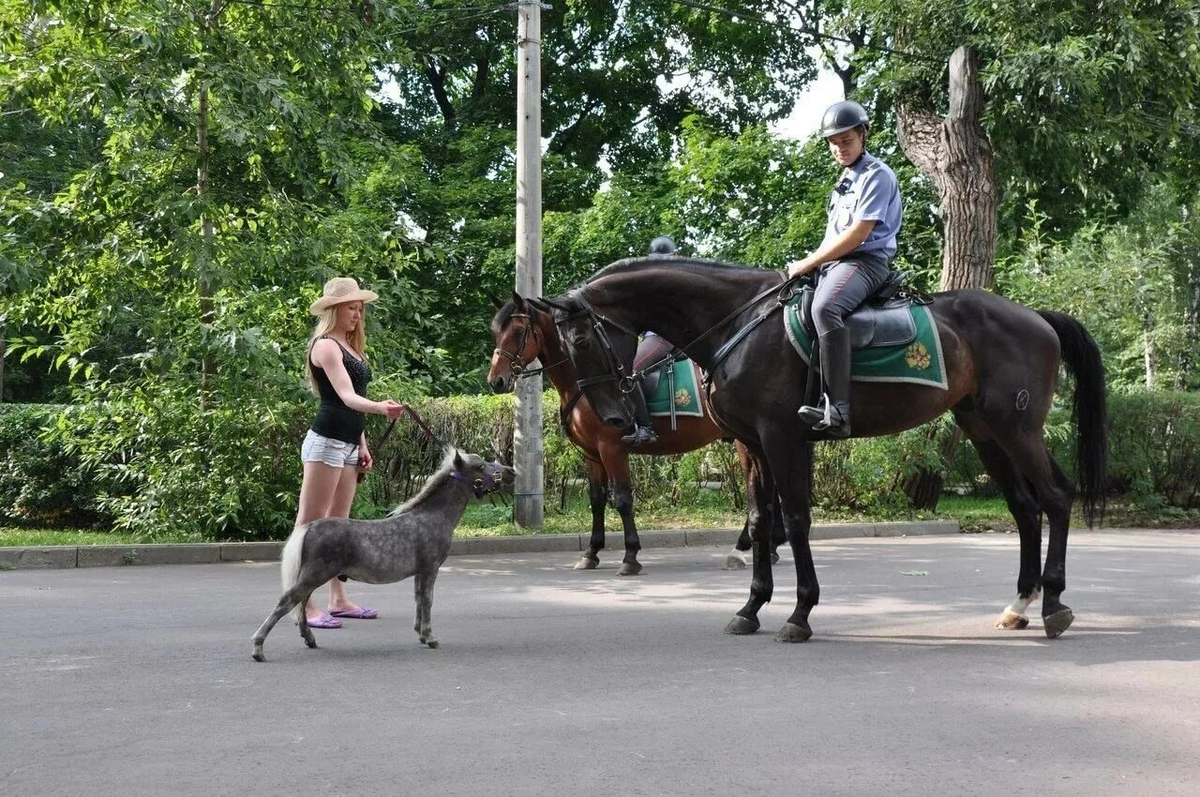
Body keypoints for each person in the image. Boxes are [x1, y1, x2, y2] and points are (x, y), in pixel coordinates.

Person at [786, 100, 903, 438]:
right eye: (834, 143)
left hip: (866, 262)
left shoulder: (876, 175)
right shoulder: (845, 181)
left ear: (863, 135)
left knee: (825, 308)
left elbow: (858, 235)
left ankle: (838, 409)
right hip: (838, 264)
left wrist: (809, 262)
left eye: (846, 141)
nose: (840, 148)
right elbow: (832, 236)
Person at [297, 277, 406, 628]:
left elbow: (353, 406)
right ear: (334, 310)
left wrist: (362, 444)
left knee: (339, 528)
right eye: (351, 308)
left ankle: (339, 599)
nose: (358, 314)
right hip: (326, 441)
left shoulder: (352, 346)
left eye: (360, 308)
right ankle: (303, 604)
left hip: (346, 443)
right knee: (310, 525)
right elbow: (345, 397)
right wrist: (380, 408)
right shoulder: (326, 346)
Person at [622, 236, 679, 446]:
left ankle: (646, 428)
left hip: (663, 337)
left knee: (629, 371)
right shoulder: (653, 281)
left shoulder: (674, 281)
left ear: (674, 258)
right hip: (649, 335)